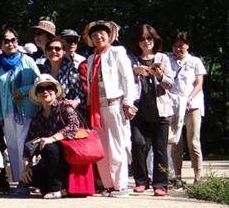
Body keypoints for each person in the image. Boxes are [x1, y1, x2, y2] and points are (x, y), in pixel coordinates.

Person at [83, 20, 136, 197]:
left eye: (102, 34)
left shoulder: (117, 52)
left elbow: (128, 79)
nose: (98, 37)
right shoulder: (91, 58)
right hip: (96, 108)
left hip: (115, 104)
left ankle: (121, 185)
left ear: (109, 35)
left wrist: (128, 102)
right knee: (102, 147)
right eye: (94, 35)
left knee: (117, 145)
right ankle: (108, 184)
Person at [0, 28, 41, 187]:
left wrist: (23, 91)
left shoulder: (27, 61)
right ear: (1, 44)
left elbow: (39, 82)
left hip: (25, 110)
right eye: (6, 41)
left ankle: (26, 181)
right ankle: (19, 181)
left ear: (17, 42)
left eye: (13, 40)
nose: (10, 44)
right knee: (12, 147)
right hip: (6, 112)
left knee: (23, 145)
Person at [128, 25, 174, 196]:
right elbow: (125, 82)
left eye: (149, 38)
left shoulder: (163, 58)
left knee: (160, 149)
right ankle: (141, 181)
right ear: (137, 42)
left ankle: (161, 184)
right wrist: (135, 72)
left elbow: (170, 84)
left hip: (160, 111)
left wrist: (159, 75)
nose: (146, 41)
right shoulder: (132, 59)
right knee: (137, 144)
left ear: (155, 40)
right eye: (142, 38)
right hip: (138, 111)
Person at [21, 74, 82, 199]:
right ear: (37, 94)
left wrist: (52, 138)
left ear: (55, 90)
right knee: (31, 177)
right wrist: (26, 167)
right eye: (40, 89)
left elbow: (74, 126)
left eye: (49, 88)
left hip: (69, 157)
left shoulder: (65, 107)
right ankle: (57, 189)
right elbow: (30, 143)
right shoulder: (37, 117)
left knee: (50, 147)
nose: (45, 92)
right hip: (49, 160)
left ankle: (57, 189)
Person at [168, 31, 207, 186]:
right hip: (174, 106)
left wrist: (189, 98)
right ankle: (177, 177)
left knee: (193, 141)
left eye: (181, 45)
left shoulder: (195, 61)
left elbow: (199, 84)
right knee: (175, 143)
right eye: (175, 46)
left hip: (193, 105)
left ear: (188, 45)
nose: (178, 49)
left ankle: (198, 176)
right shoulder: (168, 61)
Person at [40, 37, 86, 109]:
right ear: (46, 52)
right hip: (49, 112)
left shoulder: (71, 70)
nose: (53, 51)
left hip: (66, 112)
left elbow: (82, 95)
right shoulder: (43, 72)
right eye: (50, 48)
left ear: (64, 52)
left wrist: (75, 102)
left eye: (57, 49)